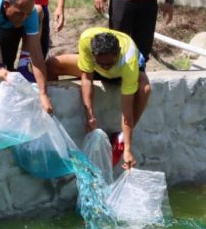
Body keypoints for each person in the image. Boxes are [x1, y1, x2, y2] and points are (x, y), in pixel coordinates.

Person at [46, 28, 152, 170]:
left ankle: (121, 137)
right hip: (96, 70)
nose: (105, 67)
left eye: (108, 64)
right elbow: (87, 78)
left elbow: (126, 110)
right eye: (101, 63)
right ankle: (53, 129)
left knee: (145, 89)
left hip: (122, 73)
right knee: (51, 64)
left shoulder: (129, 61)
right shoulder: (86, 40)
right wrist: (90, 115)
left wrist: (127, 149)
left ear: (118, 52)